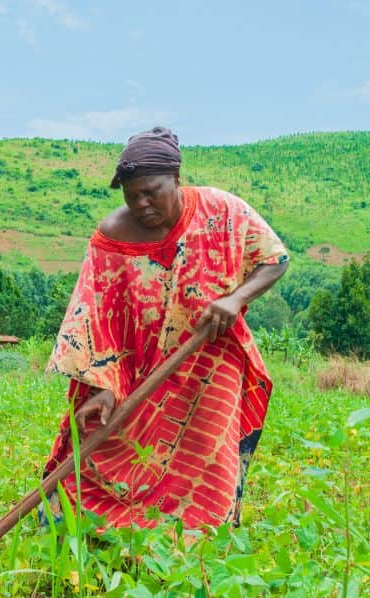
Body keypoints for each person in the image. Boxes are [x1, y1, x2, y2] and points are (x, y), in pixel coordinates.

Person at [43, 127, 288, 530]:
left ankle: (195, 547)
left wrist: (236, 299)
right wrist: (106, 386)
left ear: (176, 179)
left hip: (209, 359)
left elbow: (275, 260)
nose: (141, 203)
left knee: (203, 459)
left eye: (151, 191)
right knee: (99, 449)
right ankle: (95, 533)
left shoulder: (223, 210)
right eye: (131, 194)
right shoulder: (111, 236)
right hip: (133, 367)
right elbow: (97, 317)